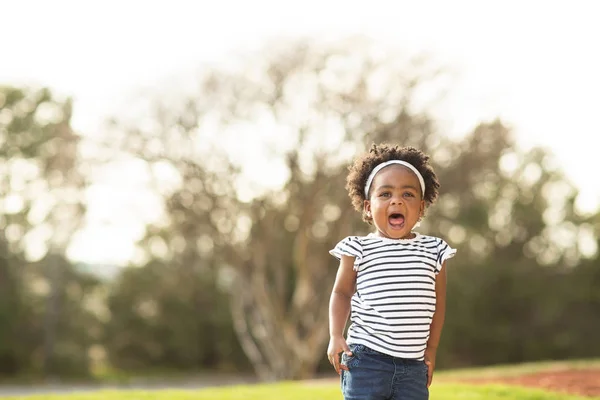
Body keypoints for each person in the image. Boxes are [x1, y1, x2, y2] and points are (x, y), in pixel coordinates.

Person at [327, 143, 456, 400]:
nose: (396, 199)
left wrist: (431, 350)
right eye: (385, 194)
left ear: (421, 207)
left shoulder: (434, 250)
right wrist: (335, 334)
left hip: (413, 365)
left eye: (407, 194)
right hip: (366, 361)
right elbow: (341, 293)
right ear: (367, 207)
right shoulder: (358, 248)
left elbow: (439, 304)